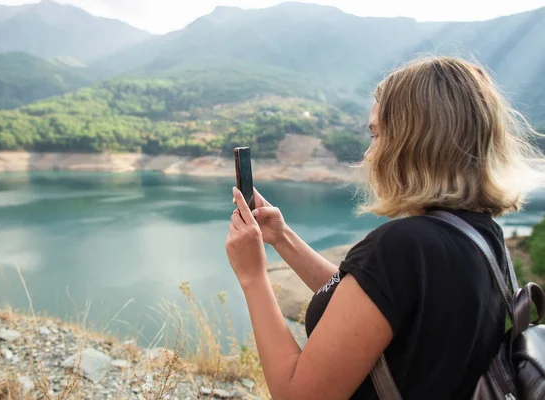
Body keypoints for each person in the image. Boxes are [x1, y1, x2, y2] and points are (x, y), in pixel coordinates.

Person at [225, 56, 543, 399]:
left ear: (413, 143)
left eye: (376, 135)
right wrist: (282, 237)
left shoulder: (401, 247)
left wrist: (253, 276)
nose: (368, 154)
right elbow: (370, 302)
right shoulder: (481, 237)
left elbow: (296, 395)